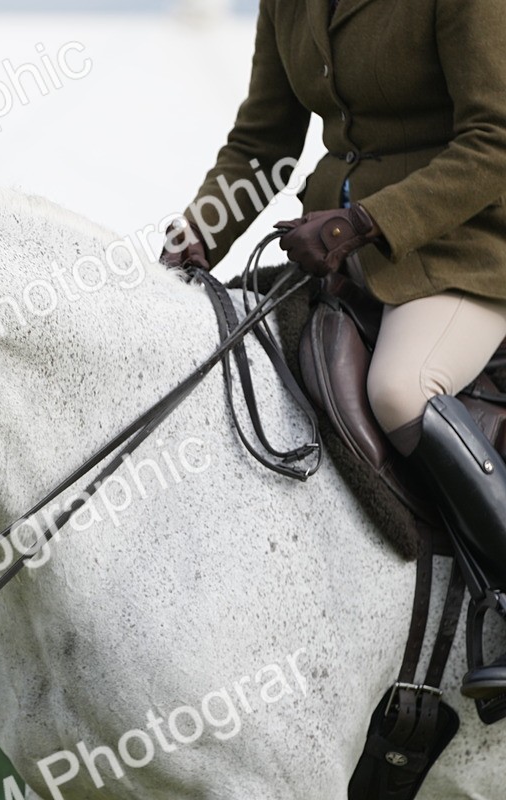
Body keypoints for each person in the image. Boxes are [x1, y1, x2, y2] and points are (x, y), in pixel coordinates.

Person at [160, 0, 506, 701]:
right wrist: (198, 234)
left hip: (462, 247)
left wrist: (366, 222)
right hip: (332, 249)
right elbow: (263, 143)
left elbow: (495, 142)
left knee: (401, 388)